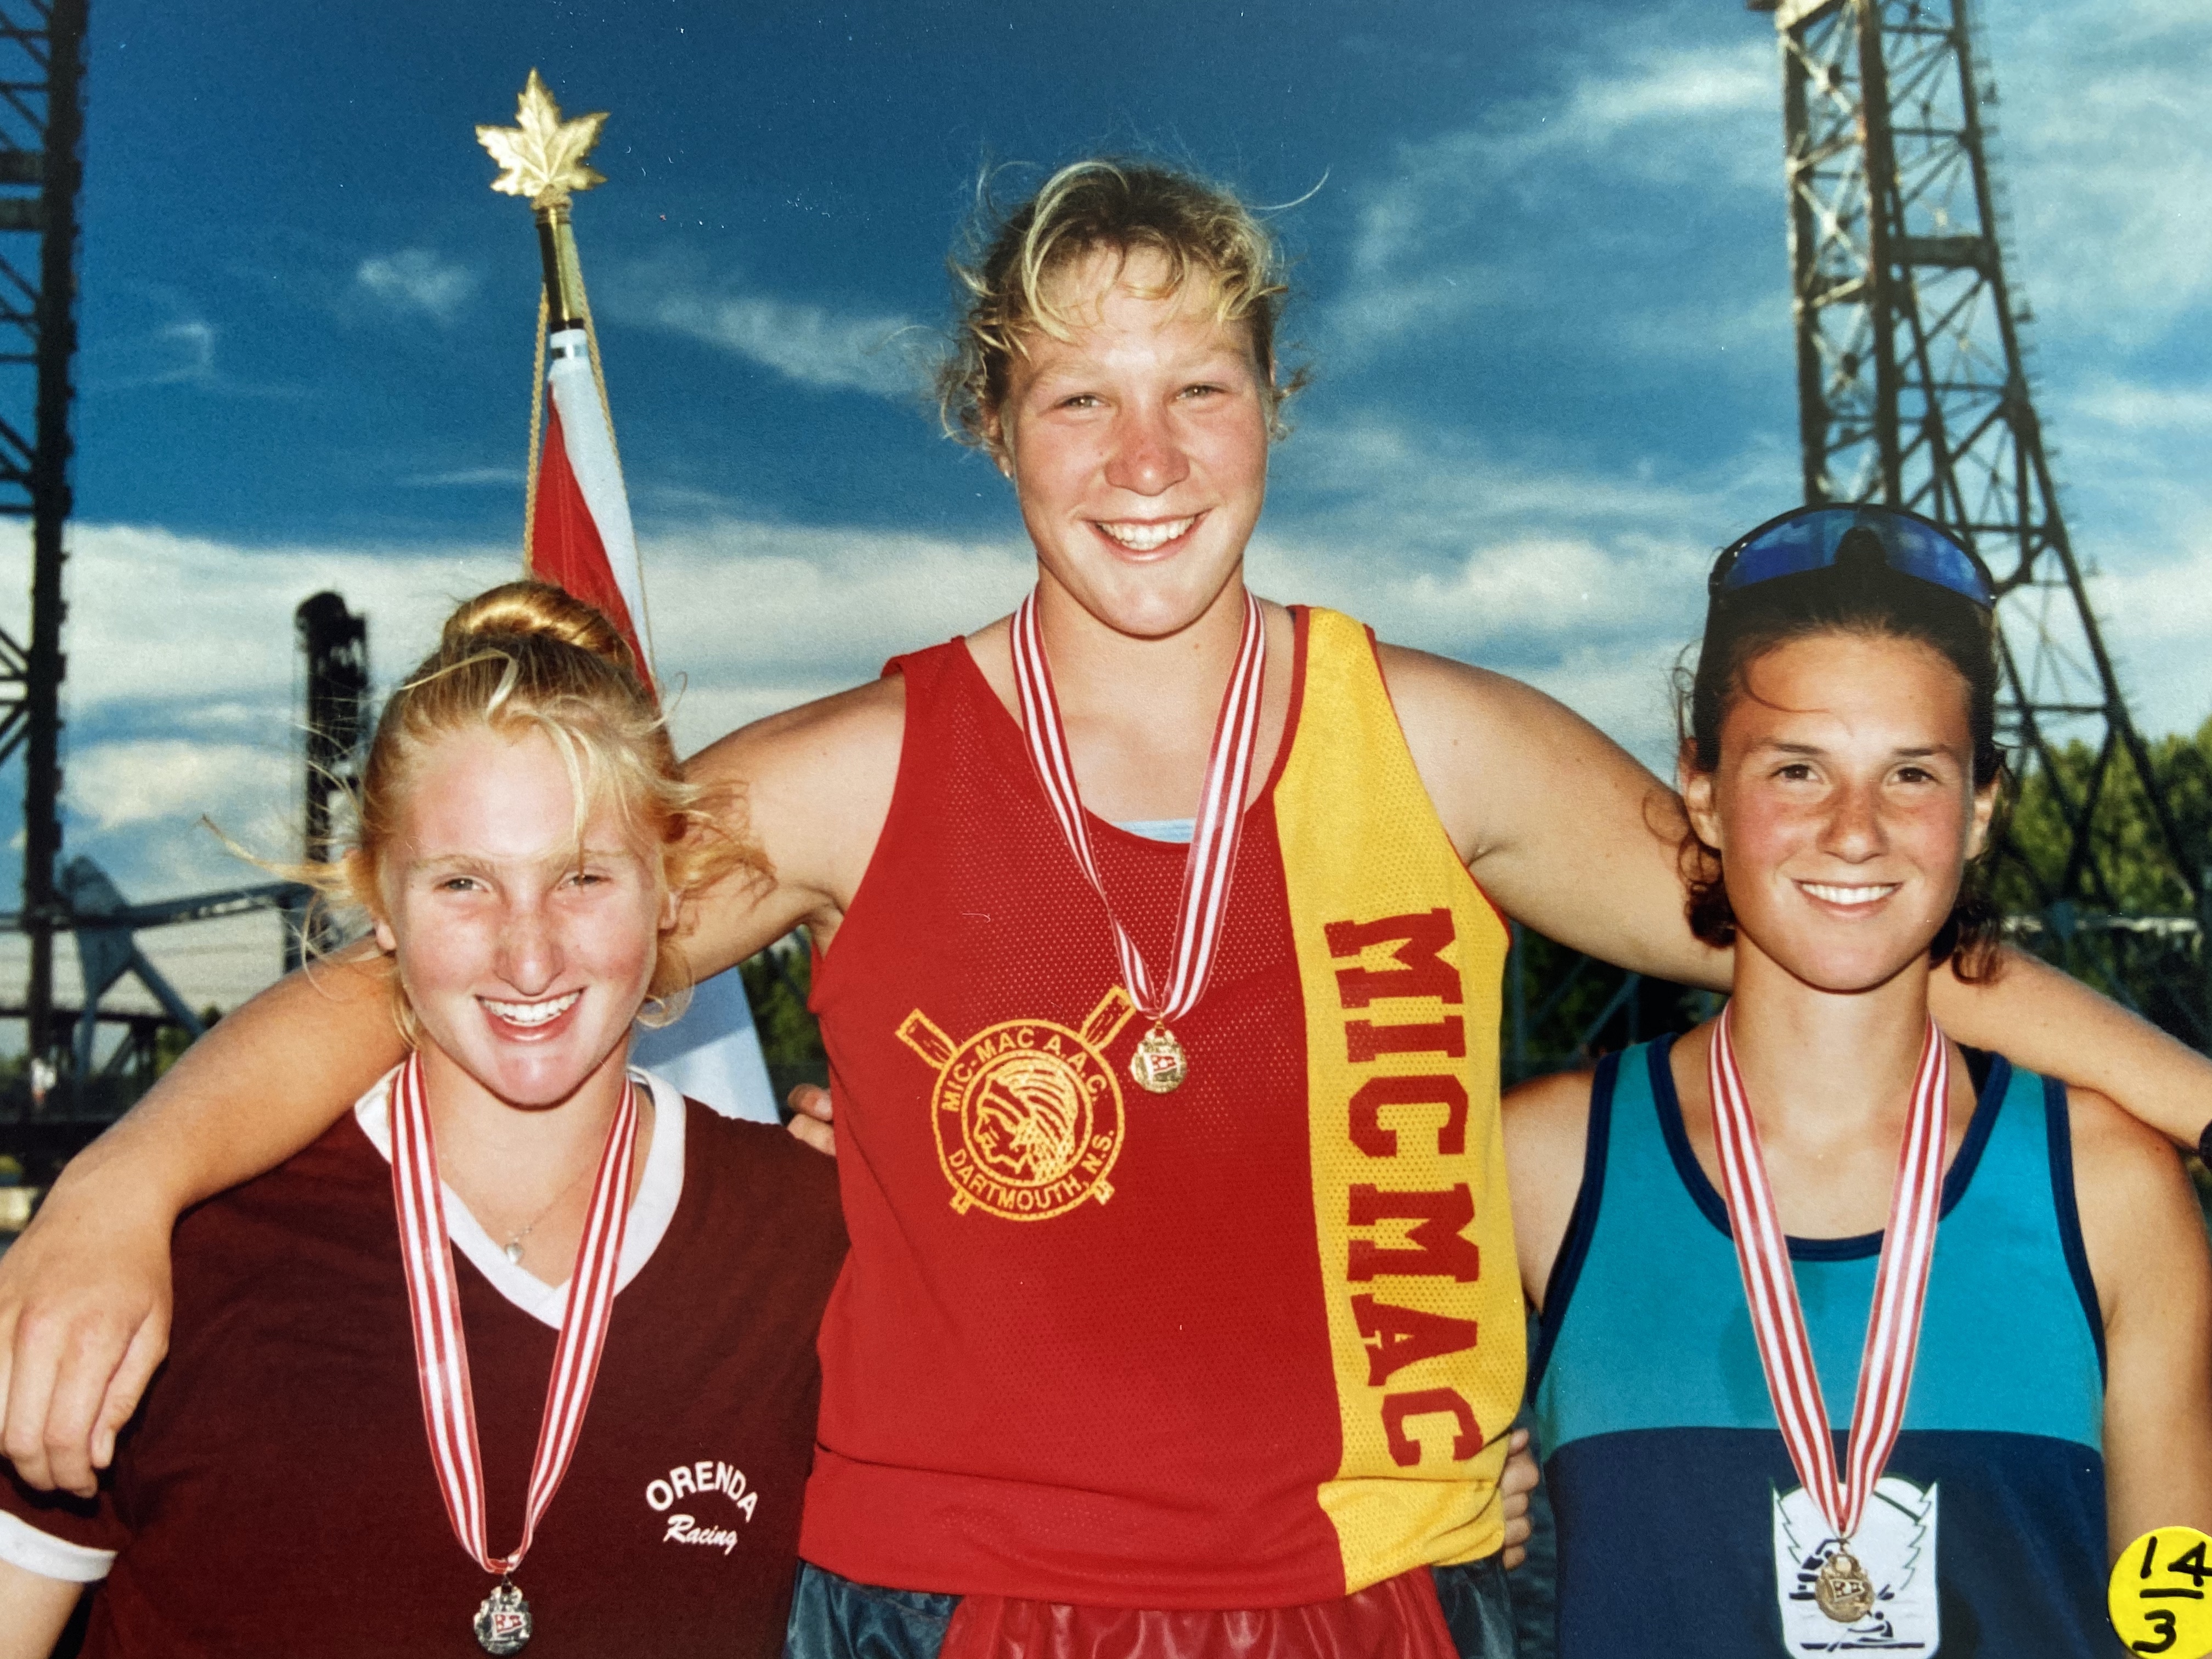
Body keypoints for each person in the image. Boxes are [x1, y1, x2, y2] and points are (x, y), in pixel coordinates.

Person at [3, 162, 2210, 1658]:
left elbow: (1840, 904)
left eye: (1197, 392)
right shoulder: (863, 768)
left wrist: (2194, 1098)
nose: (1144, 461)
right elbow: (466, 961)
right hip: (946, 1591)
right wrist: (121, 1185)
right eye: (1081, 398)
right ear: (996, 425)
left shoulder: (1441, 743)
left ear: (1273, 411)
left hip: (1378, 1594)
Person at [0, 584, 847, 1657]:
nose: (529, 956)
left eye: (584, 877)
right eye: (462, 885)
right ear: (378, 902)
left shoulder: (809, 1238)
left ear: (671, 891)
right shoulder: (177, 1250)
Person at [1505, 507, 2212, 1657]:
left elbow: (2179, 1618)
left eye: (1912, 774)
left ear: (1981, 808)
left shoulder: (2112, 1188)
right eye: (1798, 770)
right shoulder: (1540, 1167)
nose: (1855, 832)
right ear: (1701, 791)